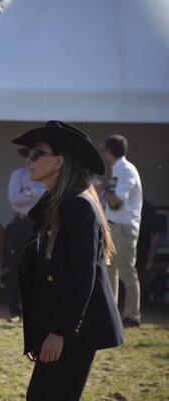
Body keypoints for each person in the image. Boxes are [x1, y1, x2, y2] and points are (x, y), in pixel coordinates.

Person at [12, 121, 123, 401]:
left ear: (59, 161)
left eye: (37, 152)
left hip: (76, 330)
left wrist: (59, 332)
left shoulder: (77, 205)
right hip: (59, 325)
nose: (30, 159)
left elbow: (82, 276)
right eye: (30, 153)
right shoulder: (56, 202)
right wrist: (43, 332)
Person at [102, 135, 143, 327]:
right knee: (110, 271)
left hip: (124, 227)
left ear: (109, 151)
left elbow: (118, 199)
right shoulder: (118, 169)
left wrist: (100, 190)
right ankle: (112, 313)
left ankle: (132, 316)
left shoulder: (126, 170)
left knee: (127, 272)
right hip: (114, 226)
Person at [5, 148, 46, 322]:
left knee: (40, 267)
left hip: (40, 223)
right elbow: (15, 199)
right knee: (16, 267)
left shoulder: (46, 176)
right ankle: (15, 310)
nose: (32, 160)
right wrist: (35, 195)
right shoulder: (18, 174)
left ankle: (35, 309)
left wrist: (28, 193)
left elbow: (48, 196)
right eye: (30, 157)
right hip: (22, 223)